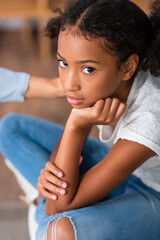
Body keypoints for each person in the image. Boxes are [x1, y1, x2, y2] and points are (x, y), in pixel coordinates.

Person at [0, 0, 160, 239]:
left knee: (56, 228)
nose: (69, 84)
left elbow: (58, 208)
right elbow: (60, 198)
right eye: (64, 63)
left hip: (153, 194)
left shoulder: (150, 118)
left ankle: (42, 198)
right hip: (125, 170)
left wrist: (77, 124)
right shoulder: (108, 81)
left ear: (128, 67)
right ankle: (47, 196)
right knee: (10, 127)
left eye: (88, 69)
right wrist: (54, 183)